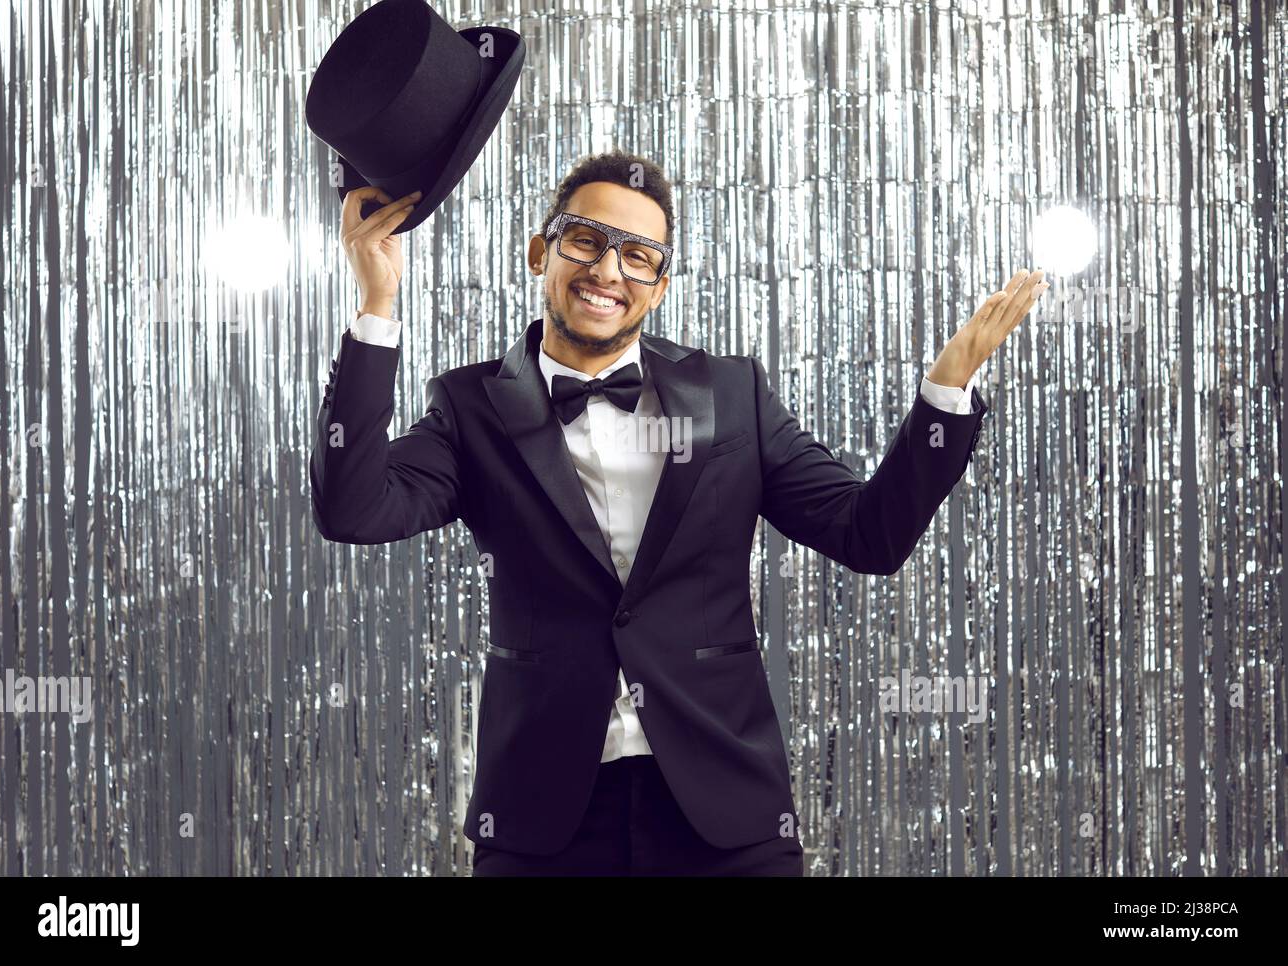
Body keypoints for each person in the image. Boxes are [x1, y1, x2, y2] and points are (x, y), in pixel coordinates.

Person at [311, 150, 1049, 876]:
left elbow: (869, 535)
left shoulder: (732, 396)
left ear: (659, 287)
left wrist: (946, 392)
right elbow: (354, 509)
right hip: (541, 817)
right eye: (586, 240)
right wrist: (377, 305)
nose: (607, 271)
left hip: (726, 813)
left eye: (639, 257)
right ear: (541, 251)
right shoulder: (469, 406)